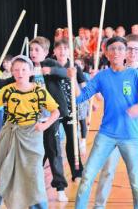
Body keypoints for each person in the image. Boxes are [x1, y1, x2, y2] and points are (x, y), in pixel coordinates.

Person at [73, 36, 138, 209]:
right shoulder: (102, 76)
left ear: (125, 53)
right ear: (106, 53)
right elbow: (81, 97)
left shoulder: (136, 75)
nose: (116, 52)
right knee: (87, 176)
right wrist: (73, 79)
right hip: (106, 134)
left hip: (130, 136)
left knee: (137, 184)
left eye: (120, 49)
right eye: (112, 49)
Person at [0, 55, 60, 208]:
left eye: (23, 69)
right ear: (12, 72)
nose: (20, 73)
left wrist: (44, 125)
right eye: (16, 70)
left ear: (30, 72)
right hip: (9, 133)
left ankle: (38, 206)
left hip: (32, 135)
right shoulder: (7, 90)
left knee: (33, 174)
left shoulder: (39, 91)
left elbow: (55, 112)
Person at [0, 37, 70, 200]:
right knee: (33, 154)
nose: (33, 53)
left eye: (37, 50)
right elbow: (7, 82)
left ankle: (60, 188)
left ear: (45, 52)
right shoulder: (26, 68)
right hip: (31, 120)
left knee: (53, 150)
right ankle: (30, 186)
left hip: (50, 117)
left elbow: (66, 73)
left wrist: (52, 72)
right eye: (31, 50)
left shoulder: (50, 64)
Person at [94, 34, 138, 208]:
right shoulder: (113, 71)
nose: (132, 52)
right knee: (108, 169)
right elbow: (100, 96)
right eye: (129, 48)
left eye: (136, 49)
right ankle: (99, 205)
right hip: (115, 128)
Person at [51, 40, 88, 183]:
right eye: (59, 48)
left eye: (65, 48)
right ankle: (40, 170)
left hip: (70, 109)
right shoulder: (49, 66)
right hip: (53, 109)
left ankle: (77, 171)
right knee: (51, 142)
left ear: (69, 51)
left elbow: (84, 90)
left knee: (73, 141)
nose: (62, 51)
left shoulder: (75, 67)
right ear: (54, 51)